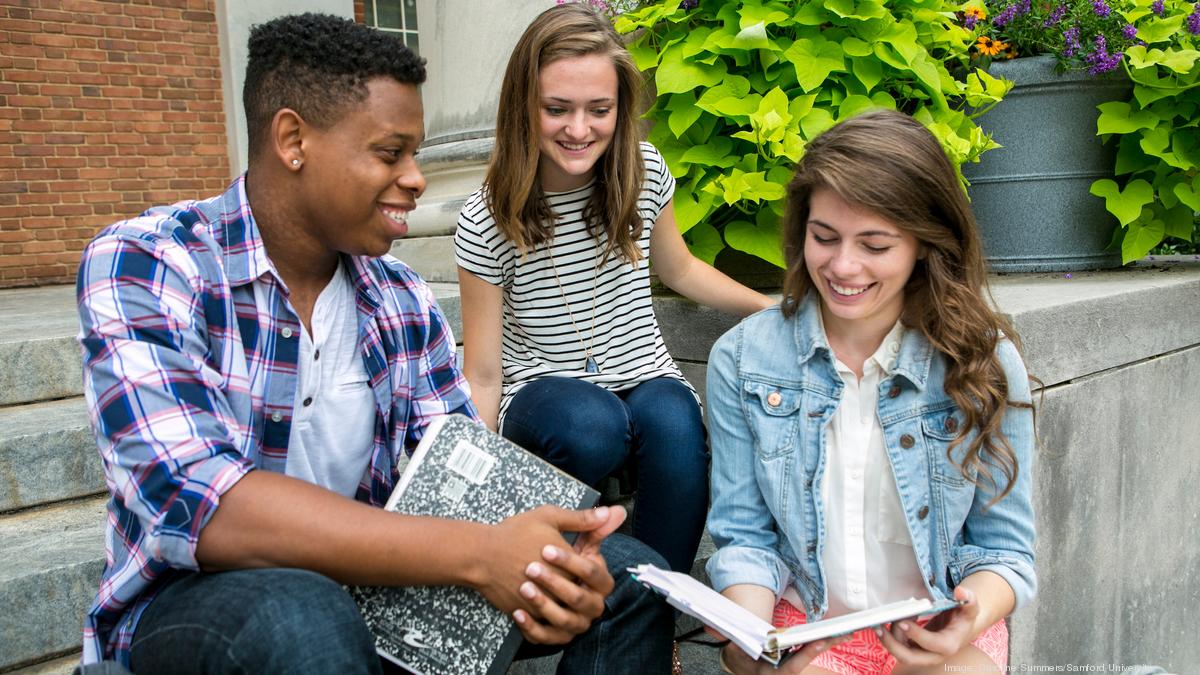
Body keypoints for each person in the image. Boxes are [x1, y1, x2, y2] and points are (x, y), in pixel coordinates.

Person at [74, 13, 672, 673]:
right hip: (194, 605)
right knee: (300, 614)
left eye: (416, 154)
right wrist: (480, 555)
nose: (416, 178)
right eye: (391, 153)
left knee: (628, 579)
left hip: (378, 591)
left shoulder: (401, 298)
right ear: (293, 140)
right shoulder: (152, 264)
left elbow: (461, 476)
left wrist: (551, 551)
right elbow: (200, 505)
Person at [703, 110, 1037, 674]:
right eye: (823, 237)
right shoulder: (743, 359)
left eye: (875, 245)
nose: (843, 266)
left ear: (924, 244)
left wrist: (968, 617)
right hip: (804, 626)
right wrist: (750, 640)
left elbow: (1006, 551)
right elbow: (745, 539)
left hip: (937, 630)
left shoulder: (984, 361)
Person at [454, 2, 774, 577]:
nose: (579, 130)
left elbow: (680, 269)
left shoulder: (642, 172)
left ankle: (655, 604)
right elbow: (481, 374)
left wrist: (769, 308)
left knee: (676, 426)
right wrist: (476, 480)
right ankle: (566, 579)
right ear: (524, 106)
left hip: (641, 372)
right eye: (557, 109)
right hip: (541, 392)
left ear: (620, 107)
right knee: (594, 425)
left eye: (598, 110)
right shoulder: (487, 218)